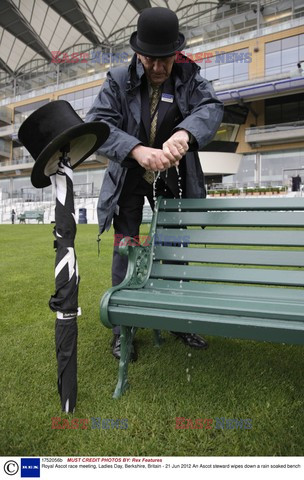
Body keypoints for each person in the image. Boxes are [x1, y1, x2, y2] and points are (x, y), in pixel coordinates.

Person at [86, 7, 224, 360]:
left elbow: (210, 106)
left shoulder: (190, 75)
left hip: (174, 178)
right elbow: (98, 125)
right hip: (129, 179)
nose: (159, 68)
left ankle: (178, 320)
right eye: (151, 59)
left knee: (175, 252)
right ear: (138, 53)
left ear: (175, 53)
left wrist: (185, 132)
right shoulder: (116, 80)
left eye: (166, 59)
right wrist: (135, 149)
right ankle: (123, 329)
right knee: (125, 251)